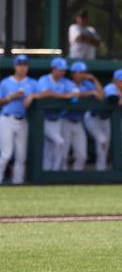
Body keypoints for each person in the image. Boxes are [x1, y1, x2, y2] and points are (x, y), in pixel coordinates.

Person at [0, 55, 37, 184]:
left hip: (23, 120)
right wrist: (11, 97)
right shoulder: (6, 82)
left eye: (24, 65)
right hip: (7, 119)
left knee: (21, 156)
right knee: (6, 154)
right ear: (15, 66)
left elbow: (45, 92)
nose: (22, 68)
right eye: (19, 65)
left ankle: (18, 183)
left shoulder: (32, 83)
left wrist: (32, 95)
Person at [36, 57, 78, 171]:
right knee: (59, 142)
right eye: (60, 70)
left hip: (58, 119)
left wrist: (72, 95)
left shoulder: (66, 82)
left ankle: (50, 173)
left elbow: (74, 94)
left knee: (50, 148)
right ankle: (53, 171)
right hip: (44, 119)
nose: (62, 72)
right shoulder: (44, 79)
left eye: (64, 70)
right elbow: (45, 93)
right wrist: (64, 96)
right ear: (53, 69)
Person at [62, 61, 103, 171]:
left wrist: (94, 79)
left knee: (82, 155)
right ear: (73, 74)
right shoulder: (67, 83)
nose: (81, 75)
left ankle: (76, 178)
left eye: (83, 72)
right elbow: (75, 95)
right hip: (65, 121)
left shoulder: (87, 85)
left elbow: (101, 96)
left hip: (78, 122)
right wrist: (90, 93)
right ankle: (60, 180)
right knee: (63, 154)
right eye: (78, 72)